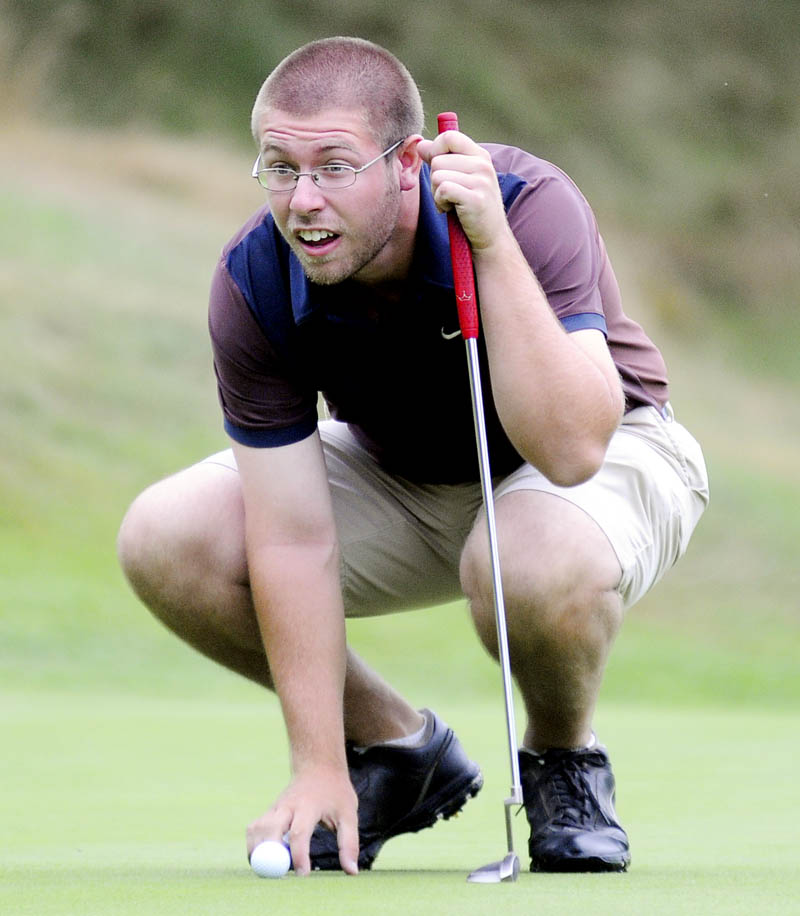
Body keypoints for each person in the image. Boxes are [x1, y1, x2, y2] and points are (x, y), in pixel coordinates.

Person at [117, 36, 709, 876]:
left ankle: (562, 761)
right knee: (164, 539)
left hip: (607, 450)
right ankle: (396, 752)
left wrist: (494, 251)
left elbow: (574, 448)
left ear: (407, 163)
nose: (303, 201)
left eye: (334, 166)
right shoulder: (255, 279)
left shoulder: (526, 201)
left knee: (528, 565)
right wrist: (318, 762)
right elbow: (289, 537)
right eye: (280, 168)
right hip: (405, 472)